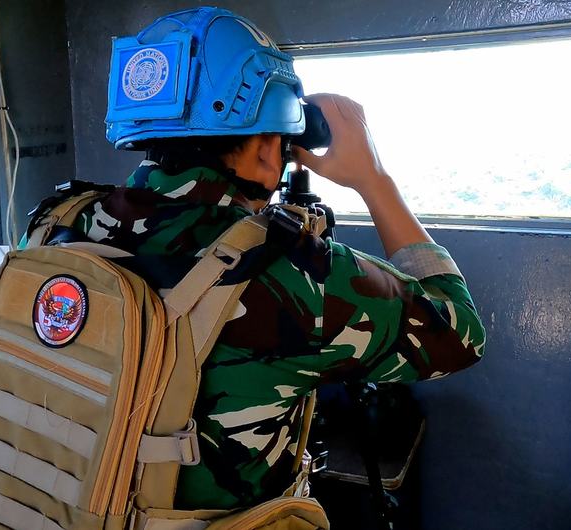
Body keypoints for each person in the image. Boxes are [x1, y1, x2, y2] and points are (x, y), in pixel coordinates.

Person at [28, 7, 486, 512]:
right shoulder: (292, 272)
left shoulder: (55, 222)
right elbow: (461, 335)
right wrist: (375, 180)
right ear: (271, 150)